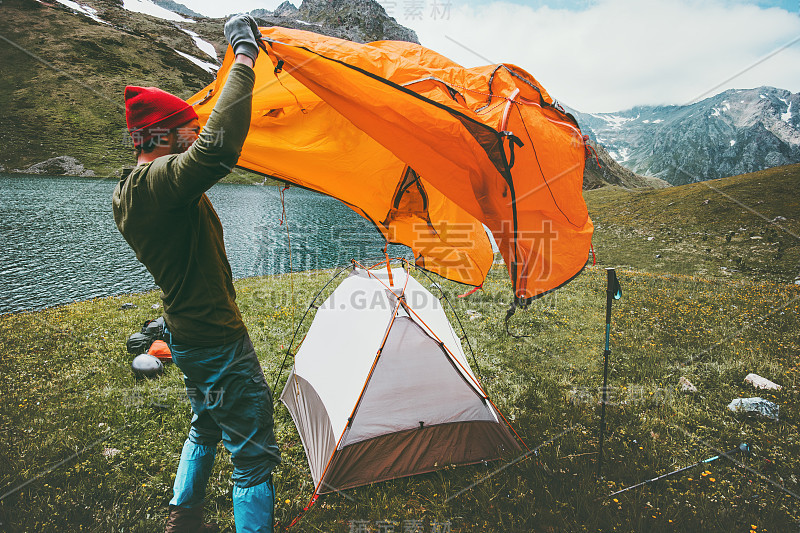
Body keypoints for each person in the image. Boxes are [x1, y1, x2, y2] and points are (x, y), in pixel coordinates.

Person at [112, 15, 281, 533]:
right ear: (159, 134)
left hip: (185, 333)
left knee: (205, 422)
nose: (196, 134)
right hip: (214, 338)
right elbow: (218, 149)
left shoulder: (130, 192)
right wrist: (245, 55)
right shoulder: (156, 184)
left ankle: (182, 518)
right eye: (187, 129)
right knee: (253, 453)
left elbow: (201, 148)